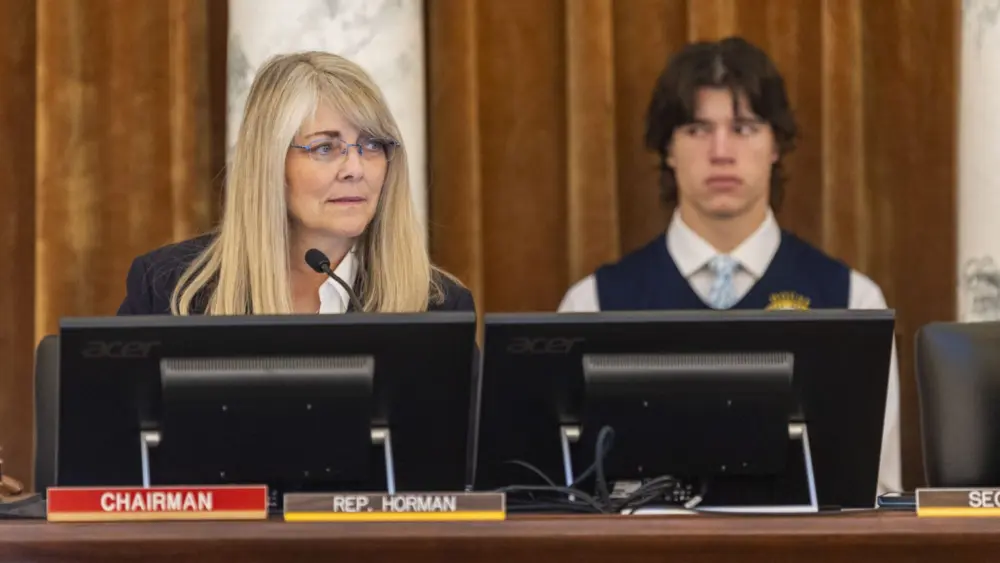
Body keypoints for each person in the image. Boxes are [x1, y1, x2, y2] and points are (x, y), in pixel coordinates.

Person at [558, 37, 901, 496]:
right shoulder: (590, 306)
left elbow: (877, 497)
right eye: (698, 129)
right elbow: (566, 502)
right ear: (668, 149)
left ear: (776, 144)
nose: (721, 151)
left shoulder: (855, 304)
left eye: (744, 128)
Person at [117, 51, 473, 316]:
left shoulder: (437, 307)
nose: (355, 168)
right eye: (324, 147)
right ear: (269, 164)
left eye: (371, 145)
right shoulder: (167, 291)